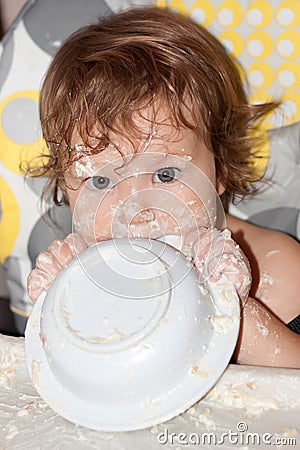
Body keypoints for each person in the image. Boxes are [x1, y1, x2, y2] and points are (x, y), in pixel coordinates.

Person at [27, 6, 300, 368]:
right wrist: (65, 311)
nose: (136, 209)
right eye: (102, 181)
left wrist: (227, 306)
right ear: (68, 189)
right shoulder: (83, 273)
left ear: (219, 167)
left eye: (166, 175)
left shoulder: (276, 271)